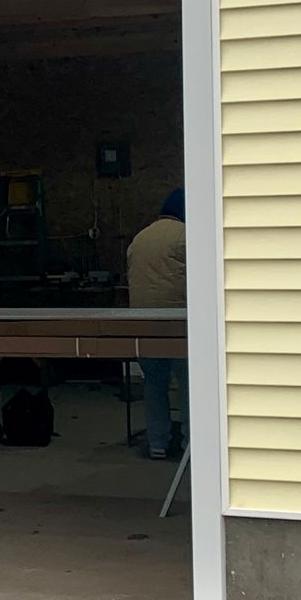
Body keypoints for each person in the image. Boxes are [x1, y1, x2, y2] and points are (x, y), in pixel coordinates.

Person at [125, 188, 187, 461]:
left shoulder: (139, 239)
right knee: (188, 384)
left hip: (143, 324)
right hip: (179, 324)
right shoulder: (185, 236)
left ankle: (157, 442)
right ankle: (189, 441)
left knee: (154, 384)